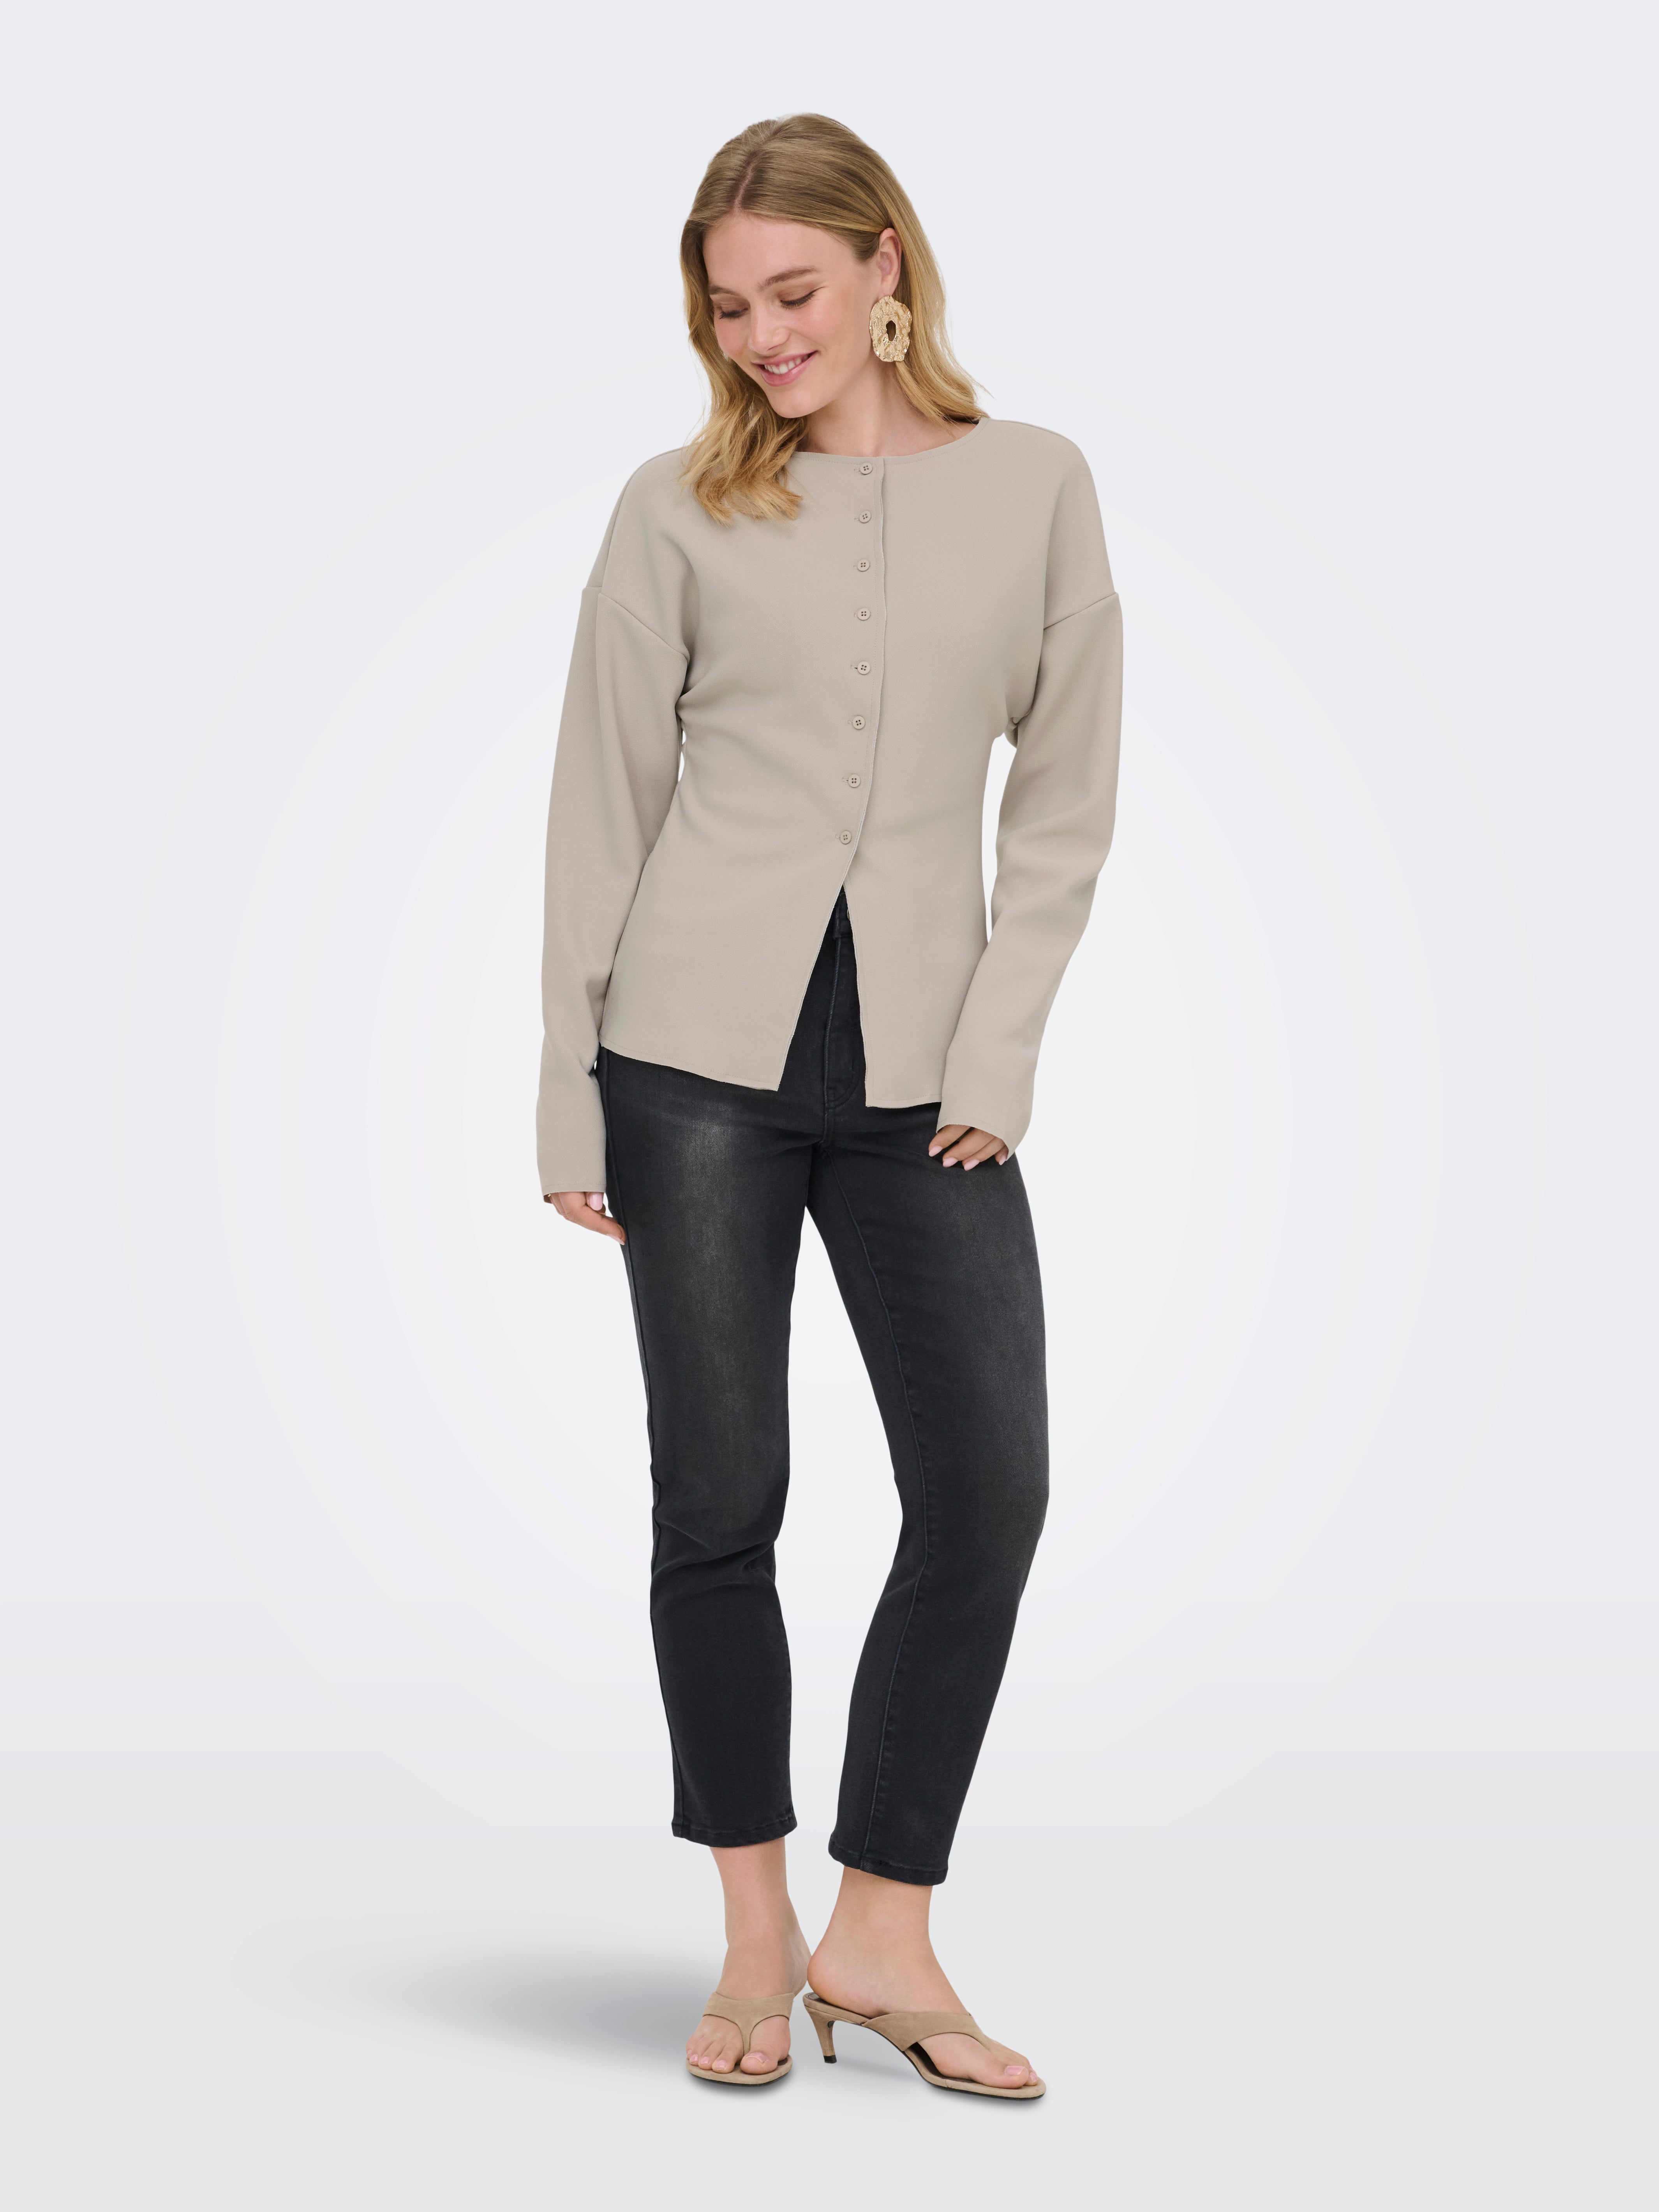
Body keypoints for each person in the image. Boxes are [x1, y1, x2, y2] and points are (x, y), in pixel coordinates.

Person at [537, 113, 1122, 2101]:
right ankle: (753, 1929)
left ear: (888, 266)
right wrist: (566, 1093)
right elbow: (600, 806)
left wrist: (1002, 1052)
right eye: (730, 309)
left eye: (794, 291)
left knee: (989, 1489)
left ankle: (884, 1930)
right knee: (721, 1502)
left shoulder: (1037, 486)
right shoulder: (675, 508)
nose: (766, 335)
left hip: (925, 1079)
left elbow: (1067, 796)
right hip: (688, 1065)